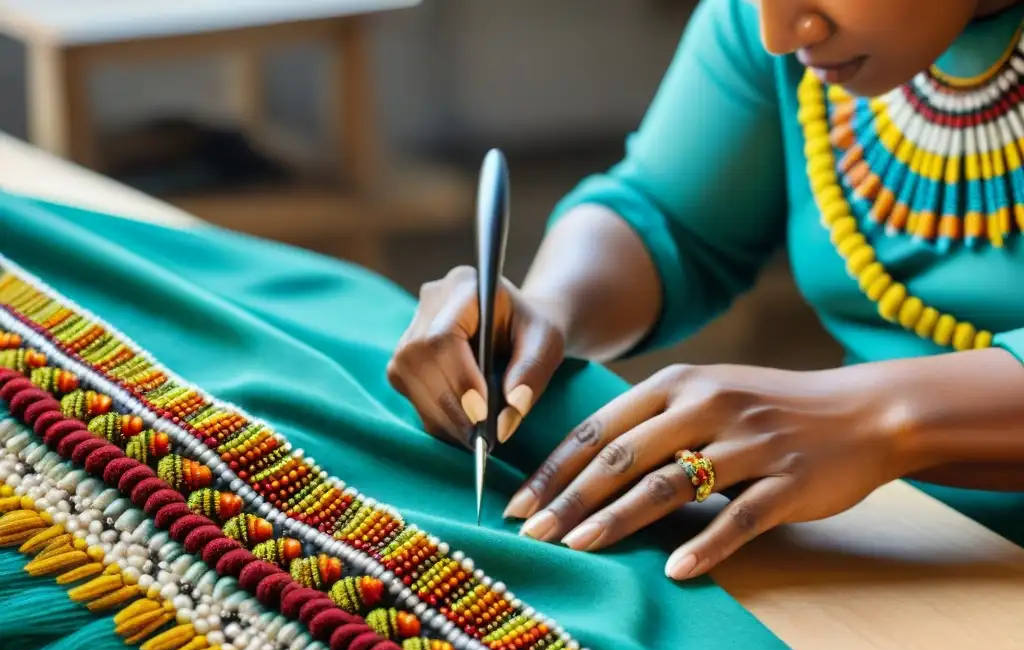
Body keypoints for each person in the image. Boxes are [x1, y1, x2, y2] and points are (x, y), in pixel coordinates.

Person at [387, 0, 1024, 583]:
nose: (776, 33)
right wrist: (547, 309)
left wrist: (878, 415)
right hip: (882, 535)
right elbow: (669, 216)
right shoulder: (767, 20)